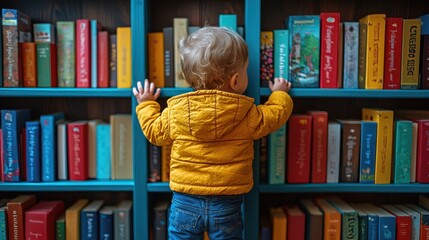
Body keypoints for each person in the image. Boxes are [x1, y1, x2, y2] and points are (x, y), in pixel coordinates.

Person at [133, 26, 293, 240]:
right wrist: (280, 94)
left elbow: (153, 131)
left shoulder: (176, 113)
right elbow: (275, 115)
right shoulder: (247, 114)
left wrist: (146, 104)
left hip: (184, 202)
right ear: (236, 80)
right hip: (227, 205)